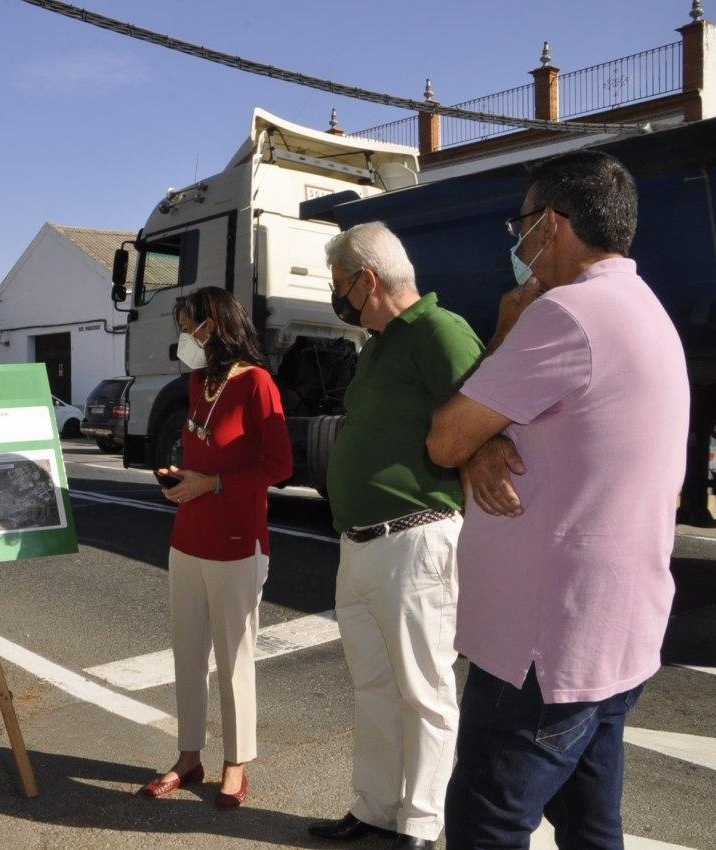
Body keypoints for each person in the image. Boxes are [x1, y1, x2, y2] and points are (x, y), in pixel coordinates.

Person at [426, 150, 688, 849]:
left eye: (522, 225)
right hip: (614, 639)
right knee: (590, 828)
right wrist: (487, 445)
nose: (518, 243)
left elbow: (446, 437)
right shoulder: (644, 307)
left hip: (540, 651)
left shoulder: (565, 312)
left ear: (552, 223)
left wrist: (508, 327)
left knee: (486, 823)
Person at [307, 223, 483, 849]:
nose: (339, 298)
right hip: (360, 544)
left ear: (367, 280)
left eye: (339, 287)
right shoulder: (379, 344)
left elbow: (486, 422)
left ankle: (420, 822)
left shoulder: (441, 331)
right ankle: (377, 808)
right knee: (374, 686)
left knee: (424, 690)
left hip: (415, 540)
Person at [137, 286, 292, 810]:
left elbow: (279, 465)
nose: (185, 336)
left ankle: (236, 763)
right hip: (189, 537)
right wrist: (182, 477)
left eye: (192, 326)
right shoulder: (198, 381)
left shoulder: (258, 384)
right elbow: (205, 452)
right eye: (182, 326)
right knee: (187, 654)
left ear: (218, 326)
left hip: (236, 541)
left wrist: (215, 485)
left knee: (234, 659)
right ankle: (188, 757)